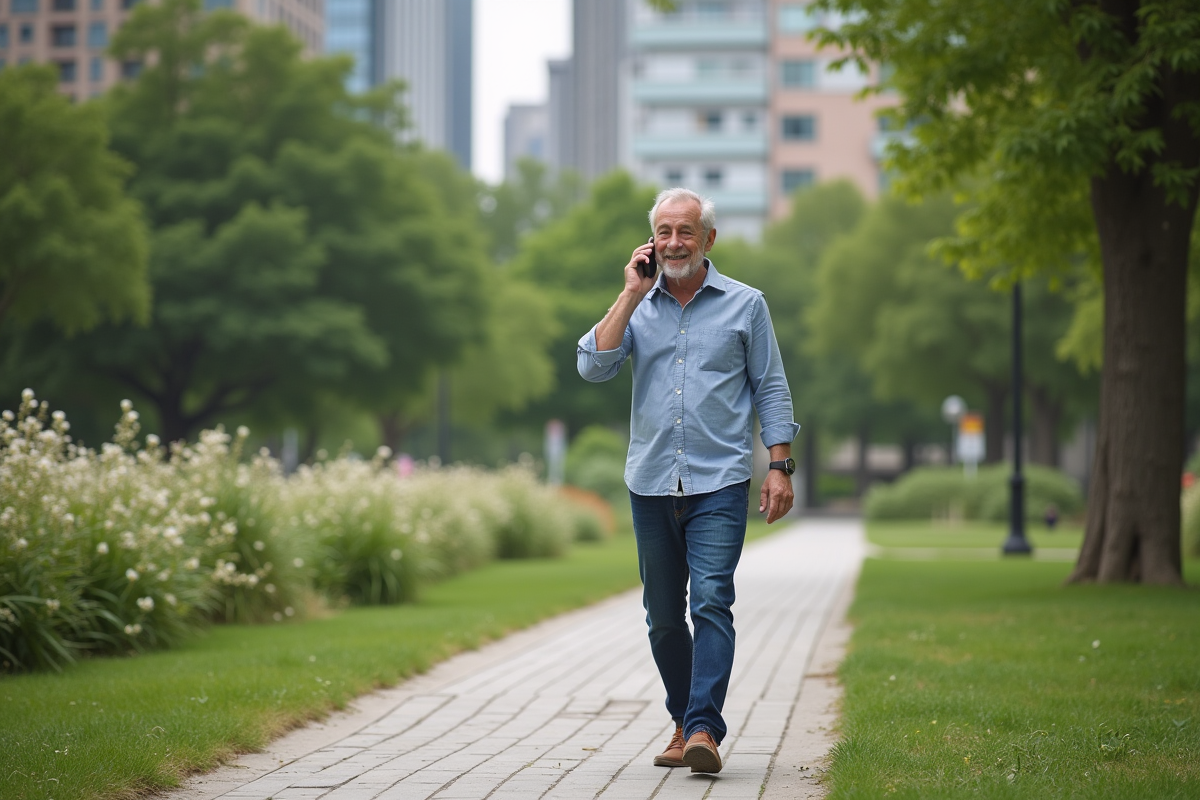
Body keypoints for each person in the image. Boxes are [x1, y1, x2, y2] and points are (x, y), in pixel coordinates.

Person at [576, 188, 800, 774]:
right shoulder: (637, 307)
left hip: (720, 481)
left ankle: (703, 728)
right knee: (662, 617)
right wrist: (630, 291)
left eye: (687, 231)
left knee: (711, 602)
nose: (675, 242)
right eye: (665, 232)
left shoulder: (746, 305)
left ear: (708, 239)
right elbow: (592, 365)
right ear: (652, 240)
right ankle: (684, 721)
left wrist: (778, 465)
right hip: (650, 482)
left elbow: (770, 387)